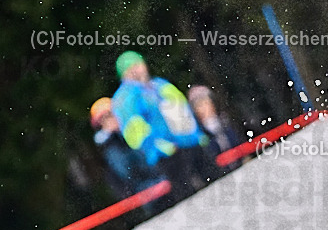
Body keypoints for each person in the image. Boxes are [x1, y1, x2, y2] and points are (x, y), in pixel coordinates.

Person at [110, 51, 219, 199]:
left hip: (191, 143)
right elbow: (133, 130)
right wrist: (158, 146)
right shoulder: (125, 97)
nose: (136, 69)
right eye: (130, 67)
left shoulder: (159, 84)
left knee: (216, 182)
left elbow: (183, 109)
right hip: (167, 154)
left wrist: (197, 134)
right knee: (189, 195)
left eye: (138, 64)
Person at [90, 97, 164, 199]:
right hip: (148, 193)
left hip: (161, 180)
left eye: (112, 114)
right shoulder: (111, 148)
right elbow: (130, 172)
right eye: (106, 117)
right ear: (101, 124)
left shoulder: (132, 130)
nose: (112, 119)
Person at [187, 85, 242, 172]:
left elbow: (241, 143)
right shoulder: (199, 135)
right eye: (199, 105)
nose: (204, 108)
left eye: (206, 102)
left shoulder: (227, 121)